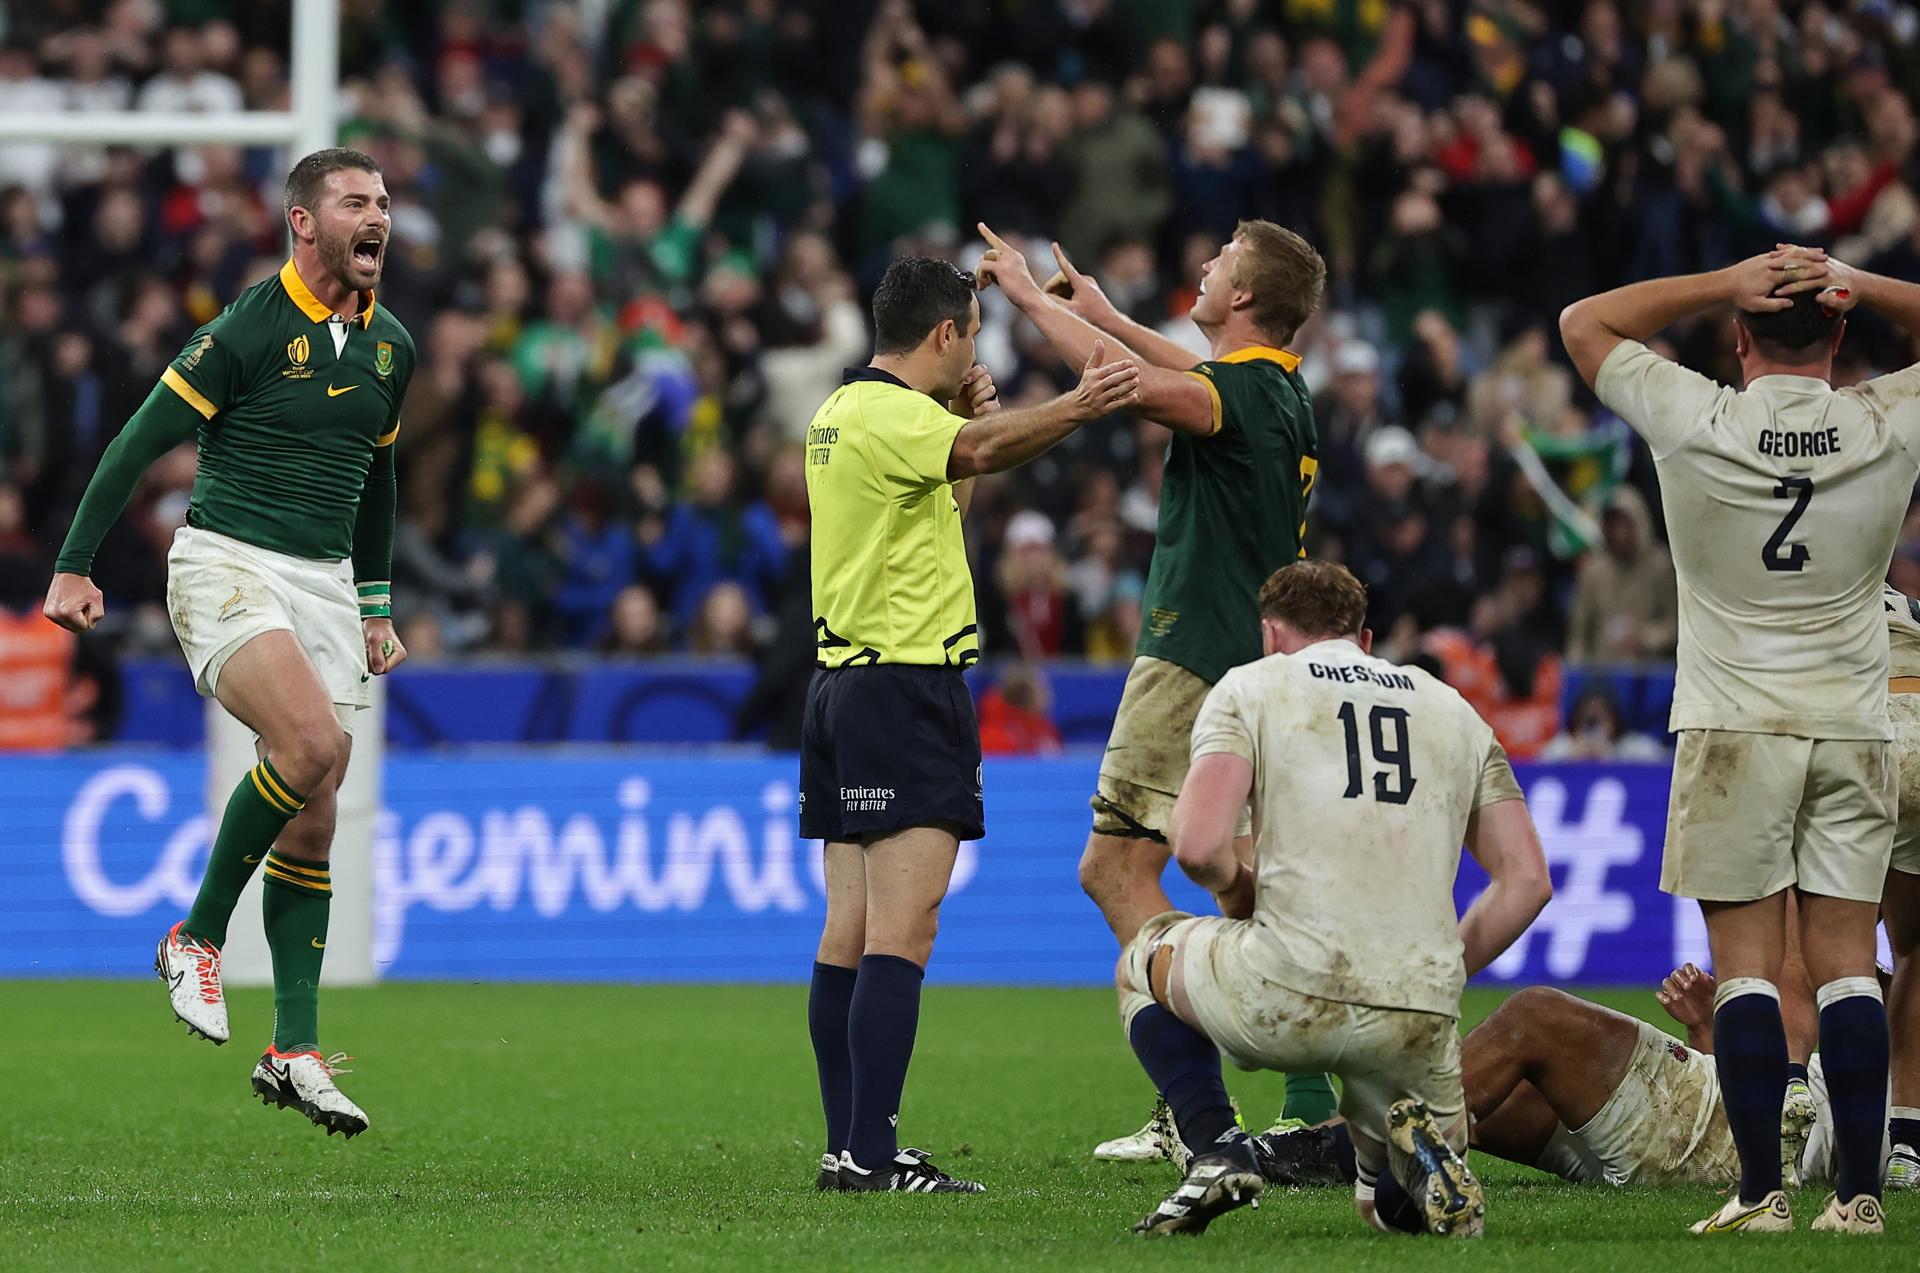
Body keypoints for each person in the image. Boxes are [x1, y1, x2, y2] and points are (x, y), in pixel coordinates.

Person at [43, 148, 415, 1138]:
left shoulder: (392, 350)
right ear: (304, 223)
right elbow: (136, 441)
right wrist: (75, 565)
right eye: (354, 202)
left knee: (316, 813)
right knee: (308, 749)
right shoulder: (248, 327)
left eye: (382, 202)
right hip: (226, 563)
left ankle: (293, 1048)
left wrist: (375, 605)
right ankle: (195, 937)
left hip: (326, 585)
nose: (376, 216)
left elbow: (377, 481)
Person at [1559, 244, 1920, 1234]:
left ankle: (1760, 1191)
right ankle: (1858, 1199)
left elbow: (1584, 322)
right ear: (1841, 332)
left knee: (1749, 967)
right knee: (1849, 961)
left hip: (1730, 722)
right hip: (1853, 720)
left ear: (1738, 335)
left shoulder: (1697, 416)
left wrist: (1724, 279)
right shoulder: (1885, 419)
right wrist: (1864, 280)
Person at [976, 219, 1341, 1156]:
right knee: (1253, 882)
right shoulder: (1281, 391)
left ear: (1246, 297)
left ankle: (1194, 1098)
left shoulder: (1242, 393)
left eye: (1218, 259)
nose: (1205, 263)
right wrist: (1105, 312)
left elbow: (1129, 385)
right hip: (1258, 664)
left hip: (1192, 655)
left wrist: (1023, 299)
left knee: (1115, 867)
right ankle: (1311, 1099)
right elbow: (1177, 370)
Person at [802, 256, 1140, 1194]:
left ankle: (848, 1146)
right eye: (975, 332)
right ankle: (872, 1154)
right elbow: (985, 455)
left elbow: (948, 493)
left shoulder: (841, 412)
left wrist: (962, 421)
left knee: (851, 927)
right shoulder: (898, 415)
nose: (977, 348)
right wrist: (1081, 403)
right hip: (906, 686)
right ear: (947, 333)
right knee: (903, 933)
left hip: (839, 688)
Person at [1118, 560, 1551, 1238]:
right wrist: (1443, 968)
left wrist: (1240, 894)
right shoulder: (1452, 708)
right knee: (1382, 1212)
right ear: (1365, 638)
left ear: (1271, 632)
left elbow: (1199, 847)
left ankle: (1216, 1149)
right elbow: (1527, 879)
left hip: (1291, 983)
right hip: (1418, 1006)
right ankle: (1411, 1164)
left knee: (1142, 957)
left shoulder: (1250, 687)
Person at [1880, 584, 1920, 1187]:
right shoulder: (1909, 607)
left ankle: (1789, 1097)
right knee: (1914, 948)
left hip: (1852, 722)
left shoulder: (1810, 596)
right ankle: (1909, 1144)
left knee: (1813, 946)